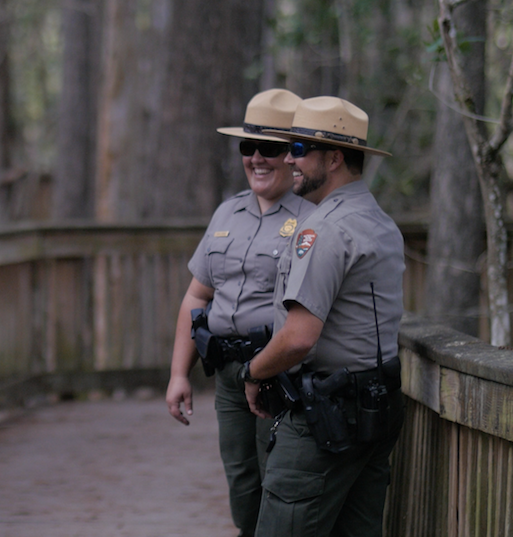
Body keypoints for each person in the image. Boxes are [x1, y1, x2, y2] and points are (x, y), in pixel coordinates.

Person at [241, 96, 405, 536]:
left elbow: (298, 338)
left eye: (299, 149)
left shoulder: (323, 229)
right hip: (378, 405)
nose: (291, 159)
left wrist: (253, 372)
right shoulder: (379, 220)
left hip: (326, 418)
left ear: (333, 158)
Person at [165, 88, 314, 537]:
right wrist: (178, 374)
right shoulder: (227, 212)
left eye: (269, 148)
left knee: (278, 478)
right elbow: (196, 297)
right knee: (241, 479)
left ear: (294, 154)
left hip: (278, 372)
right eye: (248, 147)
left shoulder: (312, 218)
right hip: (228, 372)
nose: (257, 159)